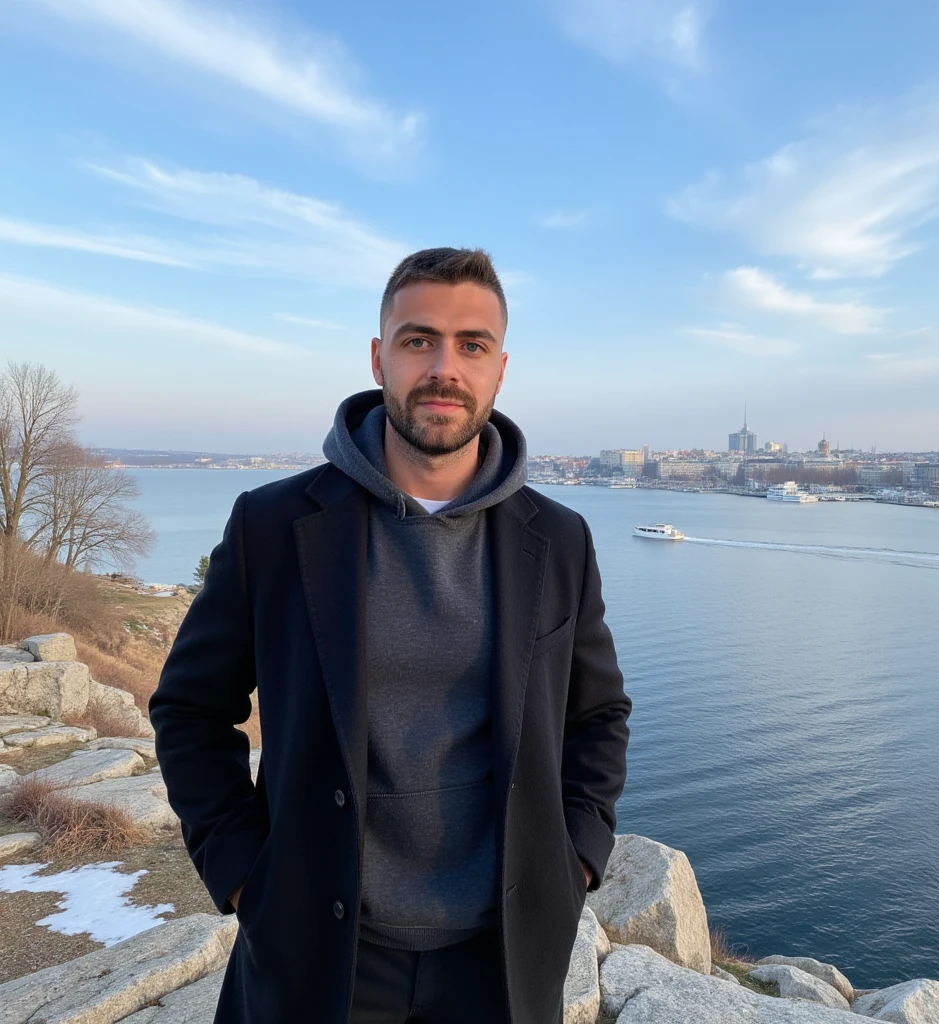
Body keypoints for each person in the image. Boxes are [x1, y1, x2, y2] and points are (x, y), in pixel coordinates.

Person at [150, 247, 631, 1024]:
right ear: (380, 358)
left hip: (500, 958)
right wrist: (243, 872)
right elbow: (189, 709)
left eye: (471, 345)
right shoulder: (274, 526)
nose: (444, 367)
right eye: (419, 340)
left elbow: (598, 715)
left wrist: (574, 859)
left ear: (499, 369)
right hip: (319, 951)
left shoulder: (561, 540)